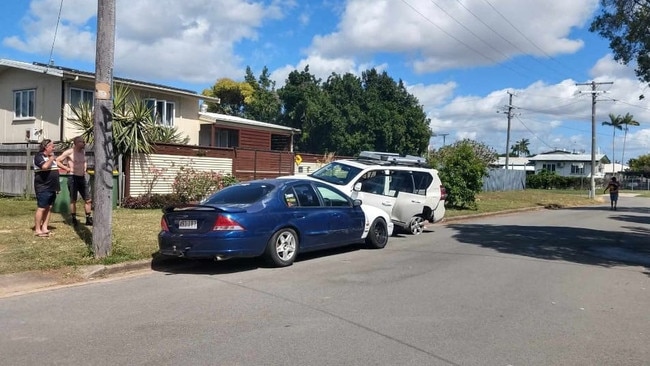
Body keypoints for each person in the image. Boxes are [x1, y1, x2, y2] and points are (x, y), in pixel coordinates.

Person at [56, 136, 93, 225]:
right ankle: (73, 218)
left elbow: (84, 161)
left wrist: (85, 168)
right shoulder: (70, 152)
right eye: (82, 142)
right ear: (76, 143)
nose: (84, 143)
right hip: (72, 177)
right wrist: (66, 168)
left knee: (88, 199)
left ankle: (88, 219)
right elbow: (57, 160)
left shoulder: (83, 152)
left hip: (82, 177)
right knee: (73, 199)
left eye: (84, 141)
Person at [33, 139, 60, 237]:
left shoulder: (50, 157)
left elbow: (57, 168)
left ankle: (44, 227)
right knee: (42, 208)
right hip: (43, 187)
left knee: (49, 207)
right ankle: (37, 229)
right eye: (52, 146)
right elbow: (44, 167)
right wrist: (51, 159)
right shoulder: (38, 157)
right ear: (46, 147)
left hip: (52, 187)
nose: (54, 148)